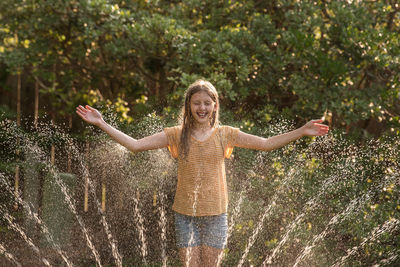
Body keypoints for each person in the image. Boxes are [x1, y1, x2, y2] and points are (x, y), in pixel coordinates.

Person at [76, 80, 329, 267]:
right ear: (189, 105)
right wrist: (101, 122)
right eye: (197, 103)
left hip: (216, 215)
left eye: (207, 103)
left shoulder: (225, 134)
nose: (202, 107)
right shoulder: (176, 134)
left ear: (214, 105)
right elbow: (135, 145)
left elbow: (266, 143)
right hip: (185, 215)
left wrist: (301, 131)